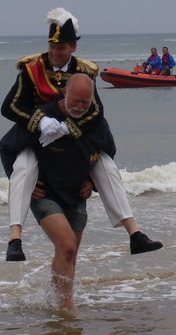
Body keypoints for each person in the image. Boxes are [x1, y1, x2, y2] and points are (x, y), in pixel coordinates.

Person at [0, 7, 162, 262]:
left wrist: (68, 128)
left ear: (73, 47)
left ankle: (135, 233)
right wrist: (40, 122)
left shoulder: (85, 71)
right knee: (23, 167)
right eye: (52, 47)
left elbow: (95, 110)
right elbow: (9, 106)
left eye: (61, 48)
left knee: (106, 166)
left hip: (75, 139)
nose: (54, 53)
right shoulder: (32, 68)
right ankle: (15, 238)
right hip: (38, 138)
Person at [30, 74, 113, 310]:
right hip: (44, 193)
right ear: (65, 93)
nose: (79, 107)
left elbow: (108, 154)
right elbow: (7, 147)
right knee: (66, 246)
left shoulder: (95, 122)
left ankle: (56, 302)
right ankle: (66, 308)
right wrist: (26, 186)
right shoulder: (45, 117)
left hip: (76, 195)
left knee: (70, 255)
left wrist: (93, 183)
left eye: (85, 102)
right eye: (75, 100)